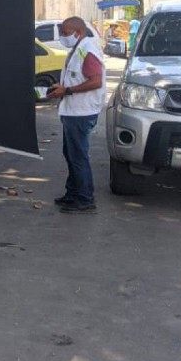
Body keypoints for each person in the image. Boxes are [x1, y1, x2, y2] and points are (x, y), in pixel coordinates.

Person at [48, 16, 107, 214]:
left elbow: (95, 81)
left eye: (65, 33)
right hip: (73, 111)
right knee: (71, 154)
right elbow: (76, 76)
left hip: (81, 112)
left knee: (78, 156)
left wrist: (68, 91)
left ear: (77, 32)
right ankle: (72, 193)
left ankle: (84, 198)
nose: (63, 37)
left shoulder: (88, 51)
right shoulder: (79, 48)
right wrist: (62, 87)